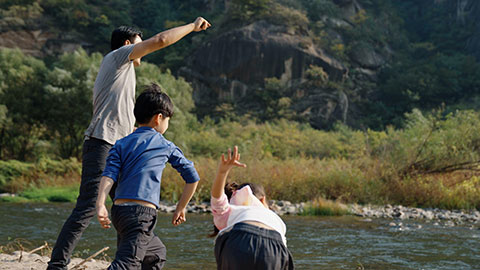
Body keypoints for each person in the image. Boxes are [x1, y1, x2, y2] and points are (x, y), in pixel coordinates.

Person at [48, 17, 211, 270]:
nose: (143, 48)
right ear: (127, 44)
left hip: (117, 146)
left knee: (126, 208)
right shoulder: (118, 58)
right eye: (139, 43)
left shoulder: (123, 73)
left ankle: (136, 259)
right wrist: (192, 26)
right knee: (87, 208)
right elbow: (161, 40)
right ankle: (57, 265)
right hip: (102, 143)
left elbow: (126, 120)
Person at [95, 84, 200, 269]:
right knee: (127, 264)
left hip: (120, 212)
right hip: (141, 214)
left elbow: (108, 175)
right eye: (168, 119)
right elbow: (192, 177)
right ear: (159, 118)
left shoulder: (121, 143)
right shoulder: (165, 145)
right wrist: (180, 208)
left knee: (155, 254)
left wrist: (101, 204)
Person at [210, 146, 295, 270]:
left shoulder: (233, 211)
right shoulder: (274, 219)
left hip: (239, 239)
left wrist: (222, 172)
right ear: (262, 200)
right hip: (274, 246)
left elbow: (217, 198)